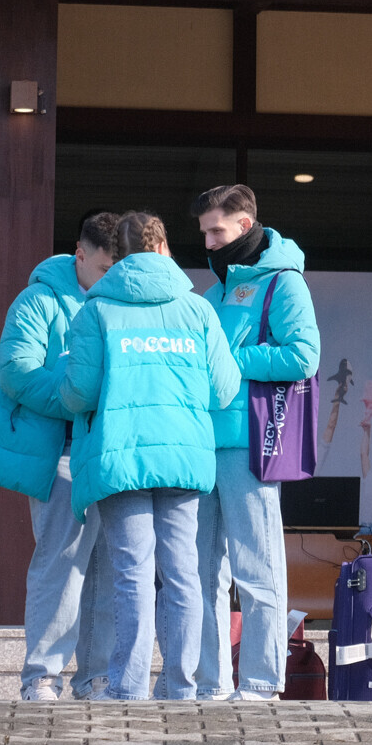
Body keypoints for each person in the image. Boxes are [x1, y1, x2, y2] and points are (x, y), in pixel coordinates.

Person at [61, 212, 240, 701]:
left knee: (132, 573)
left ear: (118, 256)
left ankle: (128, 686)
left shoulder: (96, 311)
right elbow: (224, 389)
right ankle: (181, 686)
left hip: (121, 458)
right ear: (164, 249)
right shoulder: (197, 309)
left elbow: (79, 392)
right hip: (183, 457)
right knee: (183, 573)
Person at [0, 210, 119, 701]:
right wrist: (78, 397)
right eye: (103, 269)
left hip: (108, 450)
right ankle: (42, 676)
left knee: (108, 564)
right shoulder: (38, 299)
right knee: (62, 560)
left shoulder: (120, 299)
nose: (110, 278)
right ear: (79, 255)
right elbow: (16, 371)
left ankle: (97, 676)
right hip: (63, 451)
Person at [191, 183, 321, 701]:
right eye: (203, 232)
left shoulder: (284, 283)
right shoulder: (213, 292)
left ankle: (263, 684)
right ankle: (211, 682)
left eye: (216, 231)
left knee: (256, 569)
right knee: (201, 574)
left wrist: (229, 361)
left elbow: (303, 356)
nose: (208, 242)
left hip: (250, 443)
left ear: (244, 226)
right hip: (202, 444)